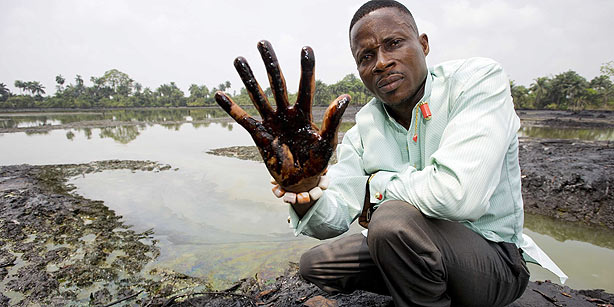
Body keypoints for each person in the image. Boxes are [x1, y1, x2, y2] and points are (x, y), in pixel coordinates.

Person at [215, 1, 566, 306]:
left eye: (394, 44)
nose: (381, 63)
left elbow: (459, 196)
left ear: (423, 45)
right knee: (317, 264)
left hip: (493, 259)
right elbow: (336, 215)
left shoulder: (476, 80)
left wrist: (378, 186)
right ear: (359, 70)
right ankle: (420, 281)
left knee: (390, 221)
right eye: (366, 57)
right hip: (417, 247)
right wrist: (303, 190)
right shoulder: (366, 123)